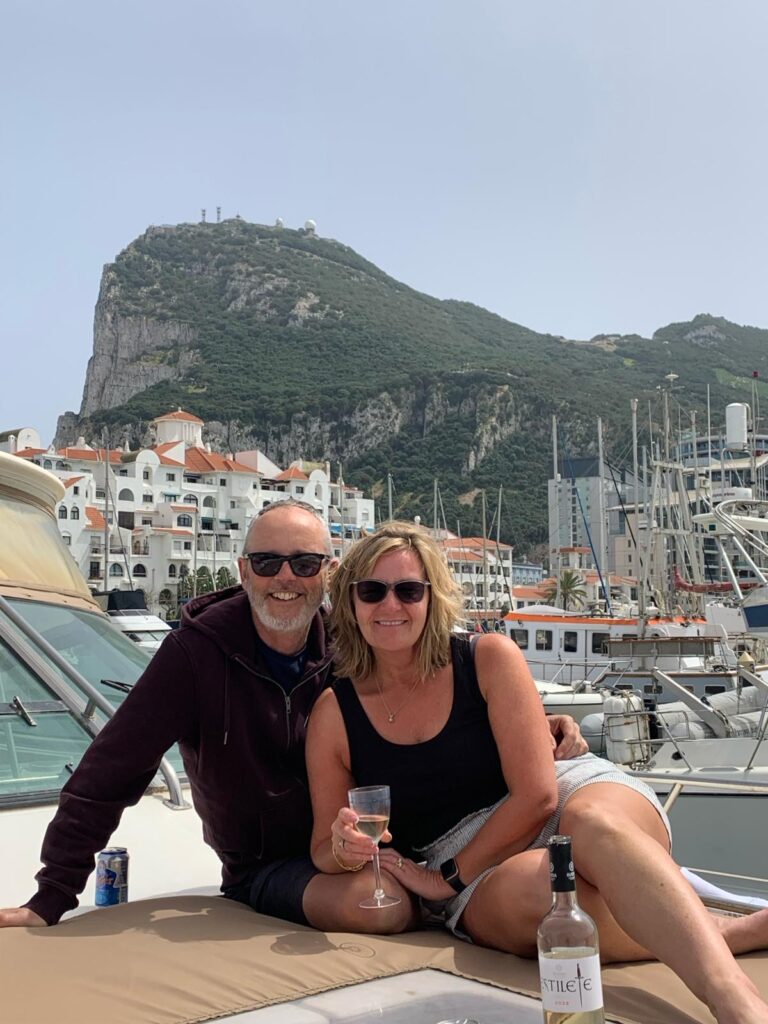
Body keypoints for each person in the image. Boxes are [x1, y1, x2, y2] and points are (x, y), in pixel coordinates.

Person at [0, 500, 585, 932]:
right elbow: (112, 770)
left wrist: (538, 724)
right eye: (267, 562)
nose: (285, 578)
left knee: (412, 891)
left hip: (389, 851)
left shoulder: (352, 647)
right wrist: (52, 896)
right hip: (271, 864)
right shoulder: (194, 656)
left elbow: (433, 689)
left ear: (327, 574)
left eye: (304, 563)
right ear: (243, 571)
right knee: (383, 909)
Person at [306, 521, 768, 1024]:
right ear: (351, 601)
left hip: (564, 796)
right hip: (469, 859)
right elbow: (323, 849)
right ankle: (726, 933)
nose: (390, 605)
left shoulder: (486, 658)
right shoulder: (335, 714)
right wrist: (346, 847)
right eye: (372, 591)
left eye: (409, 590)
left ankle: (734, 999)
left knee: (592, 825)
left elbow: (538, 796)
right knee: (543, 899)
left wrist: (443, 881)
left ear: (432, 598)